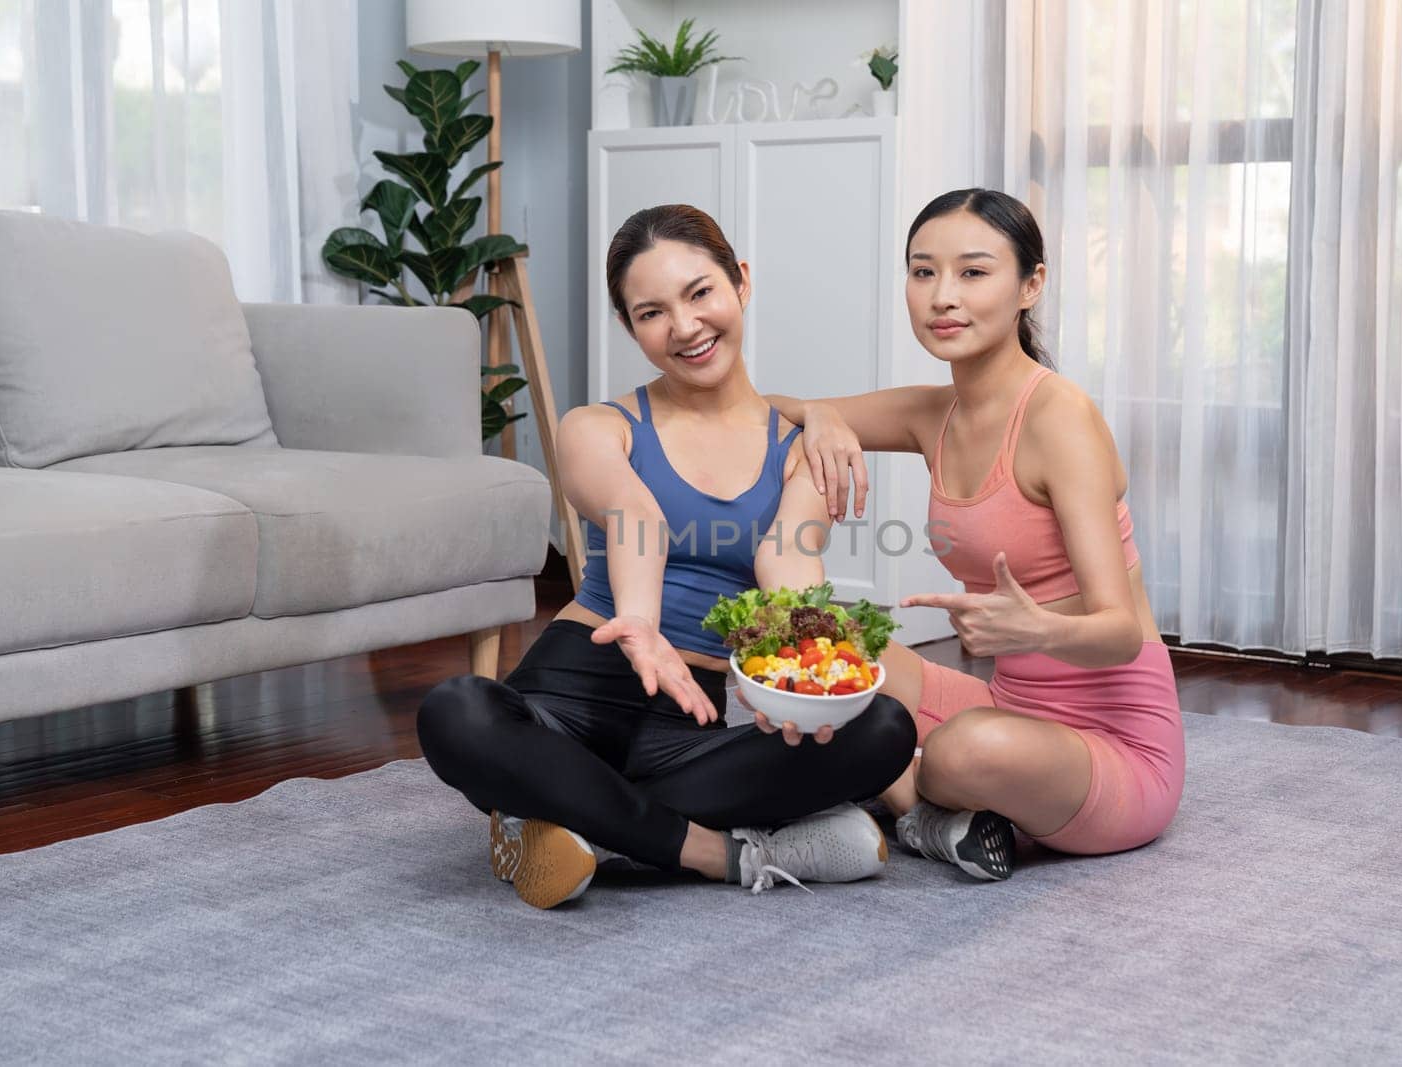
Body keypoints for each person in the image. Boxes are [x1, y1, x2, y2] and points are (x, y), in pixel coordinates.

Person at [416, 204, 916, 908]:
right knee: (457, 712)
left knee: (884, 728)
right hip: (579, 681)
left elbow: (786, 559)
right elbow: (635, 514)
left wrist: (807, 674)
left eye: (700, 292)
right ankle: (715, 853)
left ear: (740, 281)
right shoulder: (598, 426)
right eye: (652, 312)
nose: (684, 327)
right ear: (629, 326)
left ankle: (564, 812)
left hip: (691, 721)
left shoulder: (800, 445)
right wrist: (642, 626)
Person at [765, 189, 1185, 881]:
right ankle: (928, 815)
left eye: (973, 272)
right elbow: (769, 411)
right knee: (826, 654)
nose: (942, 296)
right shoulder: (935, 413)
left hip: (1113, 748)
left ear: (1030, 285)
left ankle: (895, 791)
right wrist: (821, 415)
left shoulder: (1060, 417)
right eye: (923, 271)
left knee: (964, 751)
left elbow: (1119, 629)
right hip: (1008, 704)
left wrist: (1038, 628)